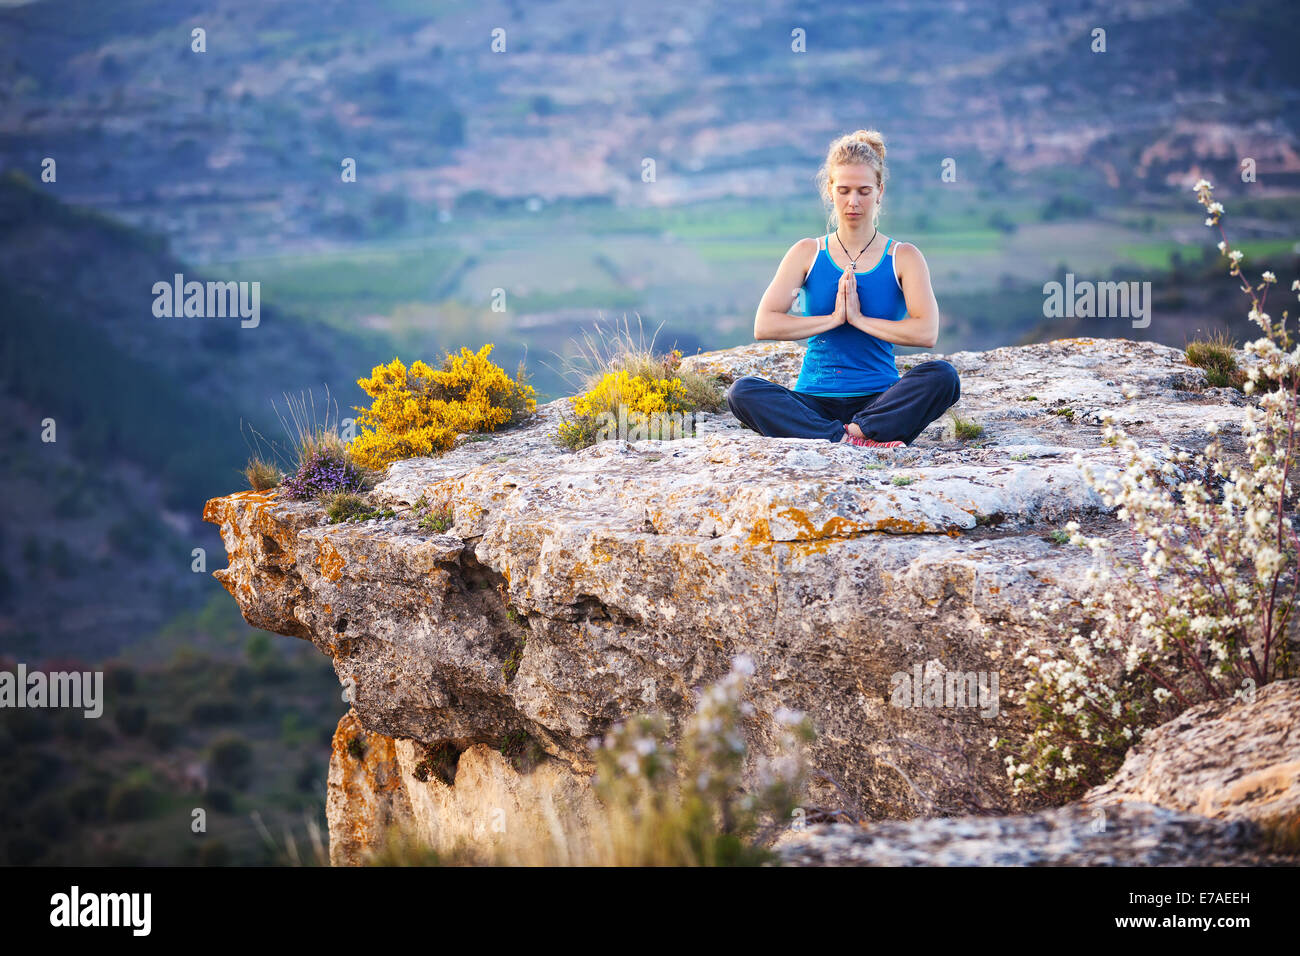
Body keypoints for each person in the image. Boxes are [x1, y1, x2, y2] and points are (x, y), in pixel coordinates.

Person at [726, 129, 960, 448]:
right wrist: (834, 319)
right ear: (830, 190)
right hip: (814, 402)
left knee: (943, 377)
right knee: (742, 392)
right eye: (844, 190)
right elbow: (765, 324)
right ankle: (848, 437)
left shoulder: (904, 257)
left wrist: (861, 320)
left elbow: (926, 332)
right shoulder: (807, 253)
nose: (853, 202)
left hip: (880, 402)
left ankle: (856, 432)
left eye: (864, 191)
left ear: (880, 191)